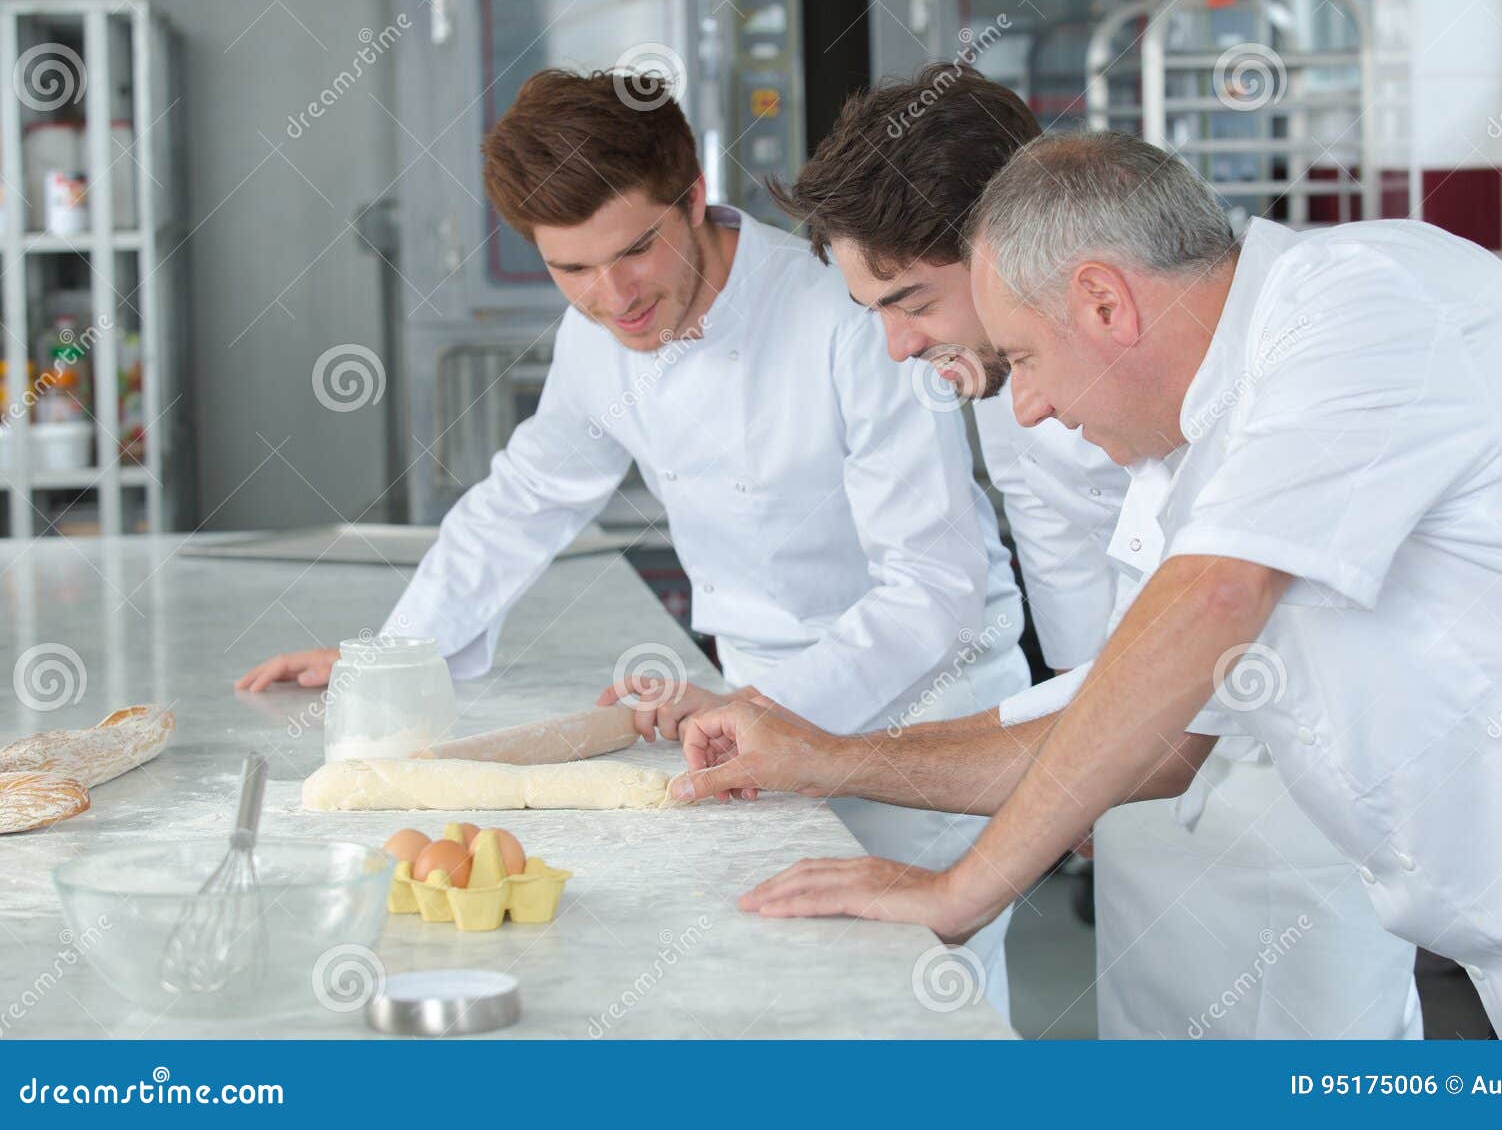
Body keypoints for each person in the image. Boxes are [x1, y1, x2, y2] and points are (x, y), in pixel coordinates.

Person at [672, 129, 1502, 1040]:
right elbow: (1151, 735)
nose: (1025, 403)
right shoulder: (1192, 454)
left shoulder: (1358, 296)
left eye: (1027, 358)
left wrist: (962, 890)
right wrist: (828, 757)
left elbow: (1214, 599)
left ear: (1105, 303)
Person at [235, 68, 1028, 1017]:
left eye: (637, 249)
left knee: (922, 1020)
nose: (613, 297)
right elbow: (529, 492)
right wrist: (396, 654)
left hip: (925, 722)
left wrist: (764, 710)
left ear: (694, 196)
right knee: (788, 1011)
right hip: (750, 730)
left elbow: (933, 586)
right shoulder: (603, 334)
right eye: (570, 270)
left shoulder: (844, 312)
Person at [760, 65, 1420, 1039]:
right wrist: (1070, 786)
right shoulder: (1008, 387)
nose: (899, 346)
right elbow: (1081, 605)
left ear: (1009, 249)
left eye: (910, 300)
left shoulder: (1294, 343)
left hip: (1287, 791)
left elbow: (1202, 615)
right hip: (1134, 775)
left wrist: (955, 859)